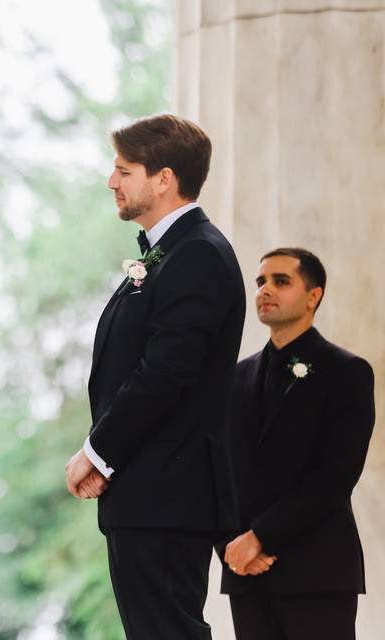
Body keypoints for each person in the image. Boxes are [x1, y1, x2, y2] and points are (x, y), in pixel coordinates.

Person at [65, 114, 245, 639]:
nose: (111, 181)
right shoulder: (171, 254)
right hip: (149, 492)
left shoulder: (199, 255)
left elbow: (165, 375)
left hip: (167, 494)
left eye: (123, 170)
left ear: (163, 178)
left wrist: (97, 452)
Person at [222, 248, 374, 640]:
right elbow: (218, 471)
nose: (265, 290)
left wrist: (260, 538)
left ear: (313, 296)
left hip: (317, 571)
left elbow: (336, 476)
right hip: (246, 576)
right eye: (260, 282)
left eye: (280, 281)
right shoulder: (234, 379)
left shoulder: (348, 373)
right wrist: (232, 546)